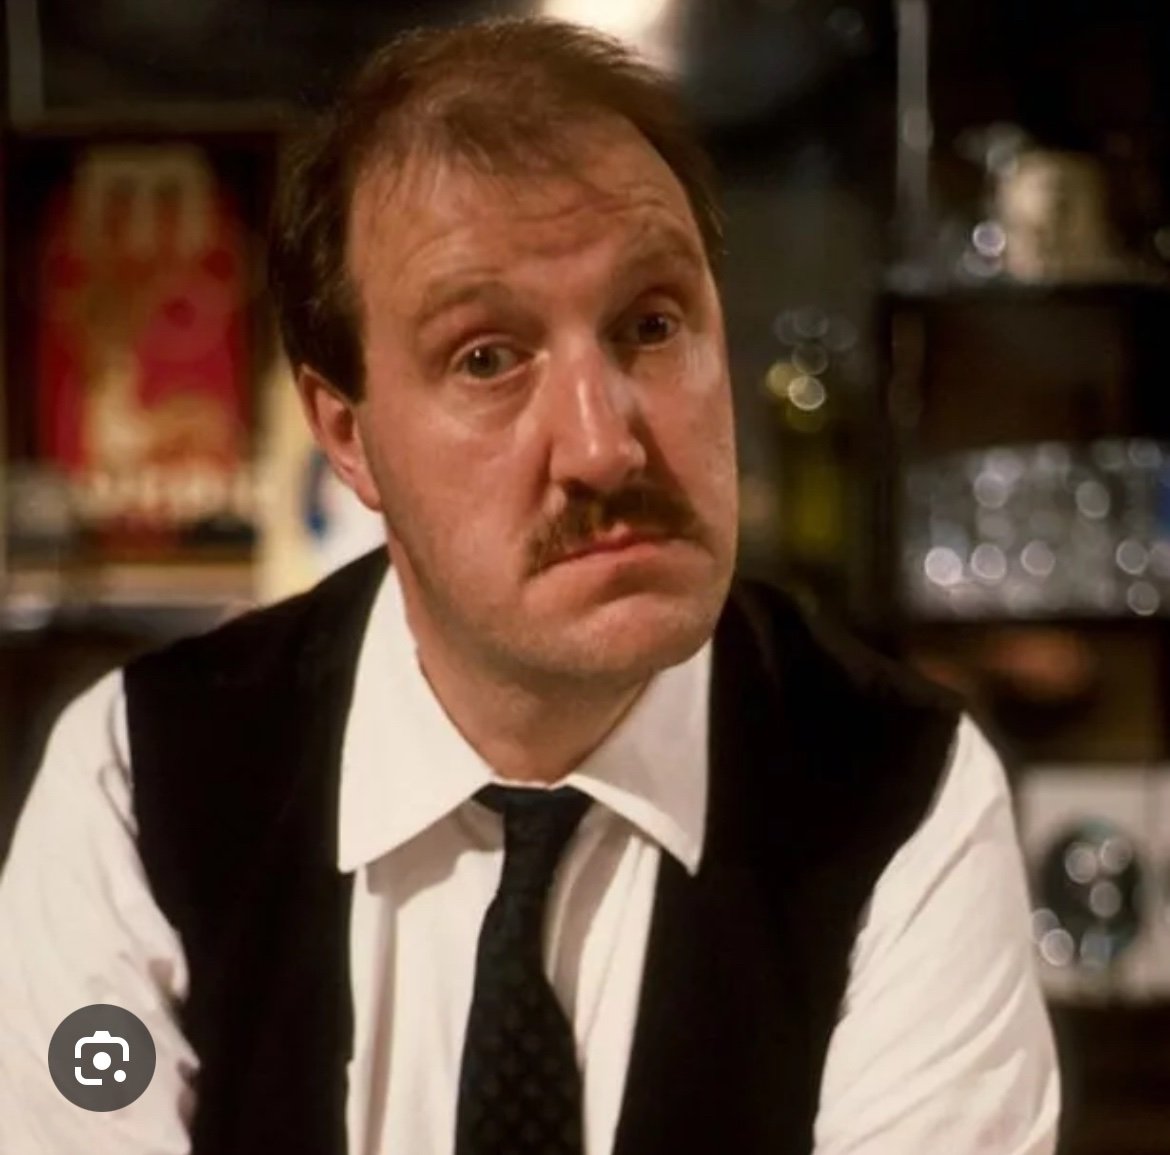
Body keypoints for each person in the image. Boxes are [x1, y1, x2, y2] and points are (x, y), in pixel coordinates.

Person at [0, 15, 1059, 1155]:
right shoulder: (141, 779)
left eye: (652, 324)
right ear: (347, 436)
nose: (604, 446)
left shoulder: (899, 791)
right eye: (487, 358)